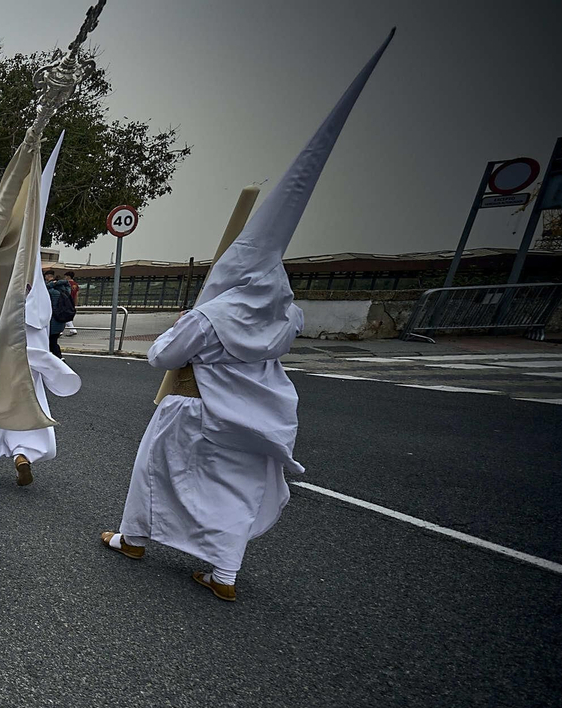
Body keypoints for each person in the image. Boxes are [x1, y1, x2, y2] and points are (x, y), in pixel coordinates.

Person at [102, 31, 391, 602]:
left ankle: (133, 539)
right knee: (230, 489)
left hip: (191, 404)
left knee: (155, 471)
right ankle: (223, 574)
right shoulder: (287, 317)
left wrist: (189, 318)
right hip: (251, 414)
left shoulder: (215, 315)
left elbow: (163, 355)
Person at [0, 136, 80, 486]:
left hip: (4, 351)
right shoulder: (37, 291)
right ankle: (24, 451)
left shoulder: (3, 274)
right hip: (30, 353)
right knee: (29, 396)